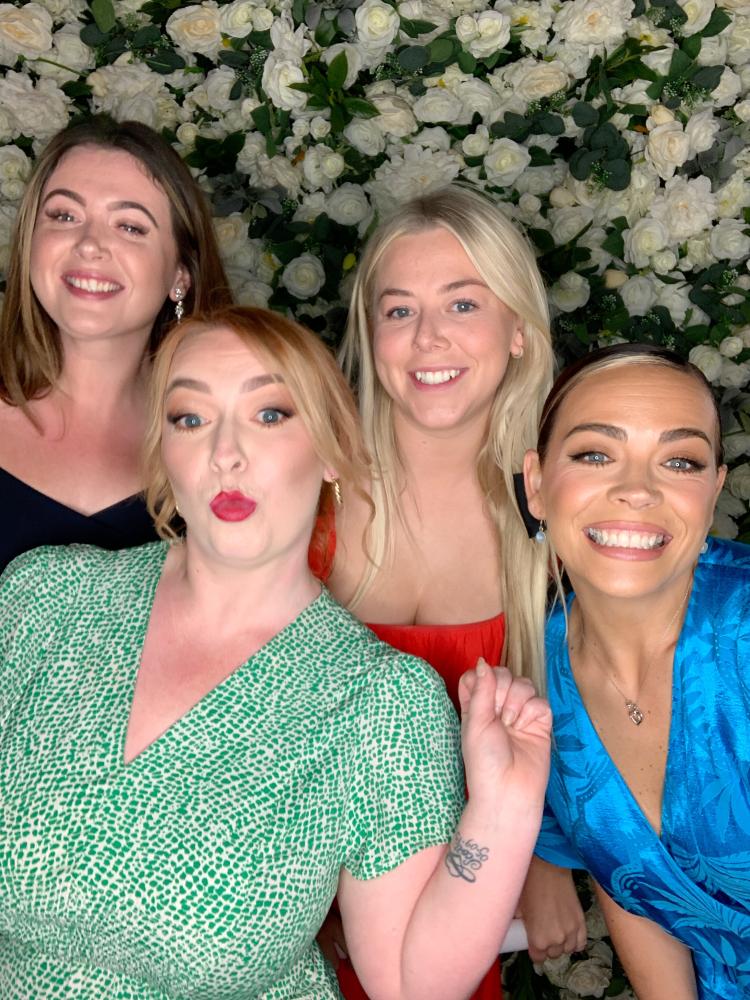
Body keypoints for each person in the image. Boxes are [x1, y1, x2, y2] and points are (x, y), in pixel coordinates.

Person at [0, 306, 552, 999]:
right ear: (163, 451)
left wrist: (504, 811)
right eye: (190, 418)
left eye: (269, 415)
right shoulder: (47, 597)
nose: (225, 452)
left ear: (331, 449)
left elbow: (410, 985)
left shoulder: (382, 700)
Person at [309, 185, 585, 991]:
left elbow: (592, 705)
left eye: (463, 304)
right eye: (398, 310)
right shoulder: (306, 483)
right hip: (285, 913)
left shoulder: (557, 512)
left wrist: (543, 855)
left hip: (455, 912)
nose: (428, 337)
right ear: (370, 335)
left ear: (519, 331)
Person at [523, 343, 750, 998]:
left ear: (712, 491)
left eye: (679, 461)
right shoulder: (538, 672)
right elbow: (632, 881)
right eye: (596, 454)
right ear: (536, 484)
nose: (638, 490)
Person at [0, 114, 231, 571]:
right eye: (64, 215)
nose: (89, 244)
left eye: (130, 226)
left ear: (180, 274)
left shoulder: (232, 441)